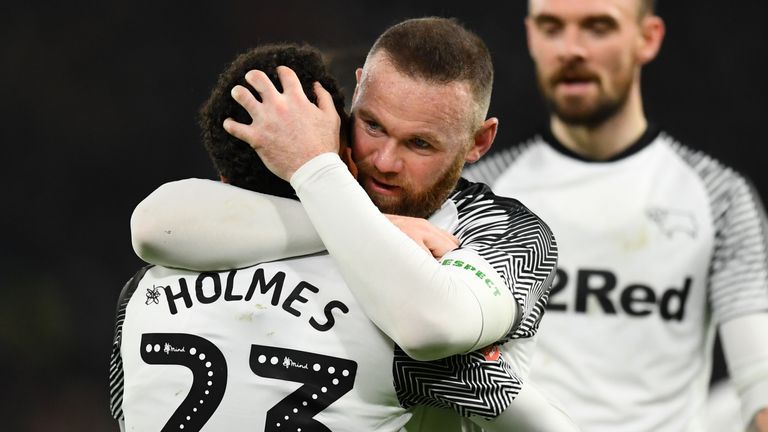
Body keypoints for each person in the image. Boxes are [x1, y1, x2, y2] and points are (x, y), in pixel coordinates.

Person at [129, 18, 576, 430]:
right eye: (373, 125)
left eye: (420, 144)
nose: (384, 161)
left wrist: (320, 178)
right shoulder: (294, 201)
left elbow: (429, 325)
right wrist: (345, 199)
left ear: (479, 142)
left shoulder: (503, 230)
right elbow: (153, 224)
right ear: (357, 91)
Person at [462, 0, 768, 430]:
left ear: (649, 38)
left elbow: (761, 388)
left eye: (598, 27)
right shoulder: (481, 192)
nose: (571, 49)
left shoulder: (719, 196)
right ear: (531, 36)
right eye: (552, 27)